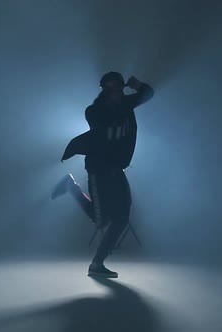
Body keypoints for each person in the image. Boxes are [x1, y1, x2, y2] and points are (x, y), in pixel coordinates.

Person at [51, 72, 154, 278]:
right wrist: (124, 102)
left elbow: (148, 94)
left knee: (122, 218)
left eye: (119, 89)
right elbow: (102, 126)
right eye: (113, 90)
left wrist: (138, 86)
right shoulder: (94, 112)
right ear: (105, 92)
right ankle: (71, 187)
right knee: (101, 220)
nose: (117, 94)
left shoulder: (125, 104)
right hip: (99, 172)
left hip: (118, 171)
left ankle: (97, 264)